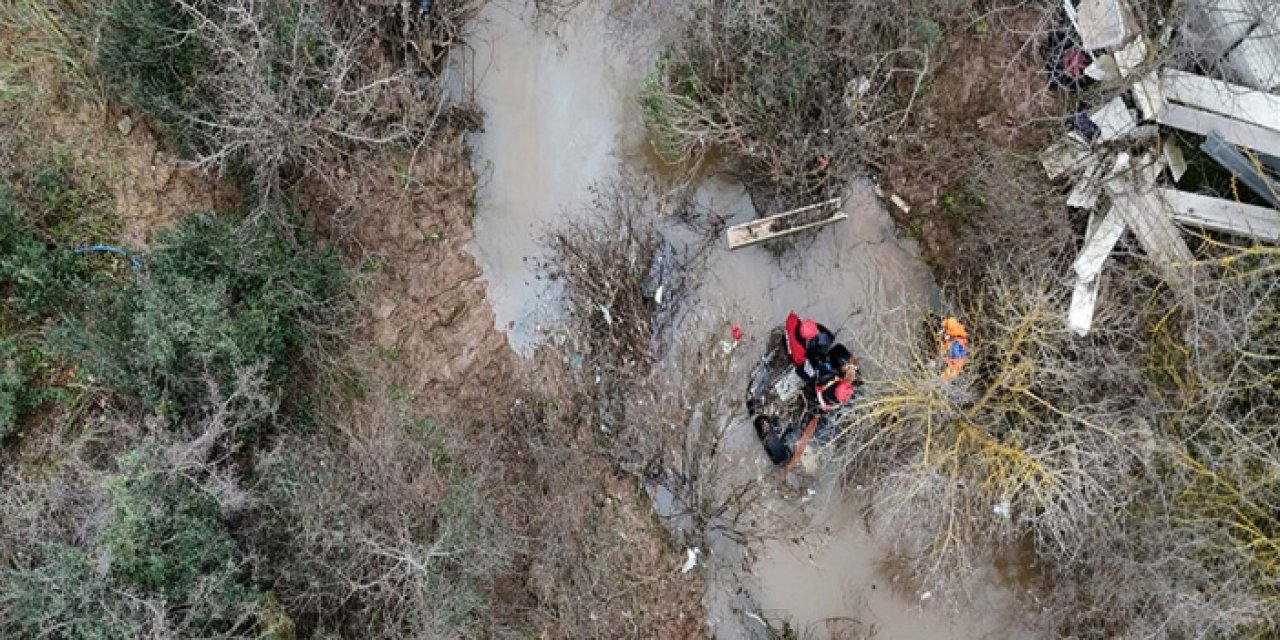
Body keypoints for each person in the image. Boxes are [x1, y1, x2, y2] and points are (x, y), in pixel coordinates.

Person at [940, 316, 969, 381]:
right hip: (958, 343)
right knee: (955, 360)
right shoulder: (950, 330)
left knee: (955, 360)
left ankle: (946, 376)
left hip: (958, 343)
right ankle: (946, 375)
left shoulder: (951, 331)